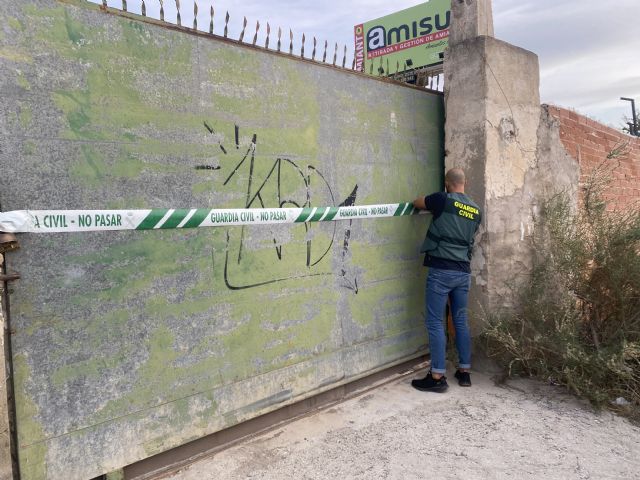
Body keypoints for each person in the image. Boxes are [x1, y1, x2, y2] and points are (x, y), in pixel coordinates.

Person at [411, 167, 481, 392]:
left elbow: (417, 202)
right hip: (463, 273)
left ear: (447, 183)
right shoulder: (476, 210)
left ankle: (437, 376)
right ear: (465, 183)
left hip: (441, 271)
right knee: (460, 321)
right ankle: (464, 372)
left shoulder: (442, 200)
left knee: (435, 322)